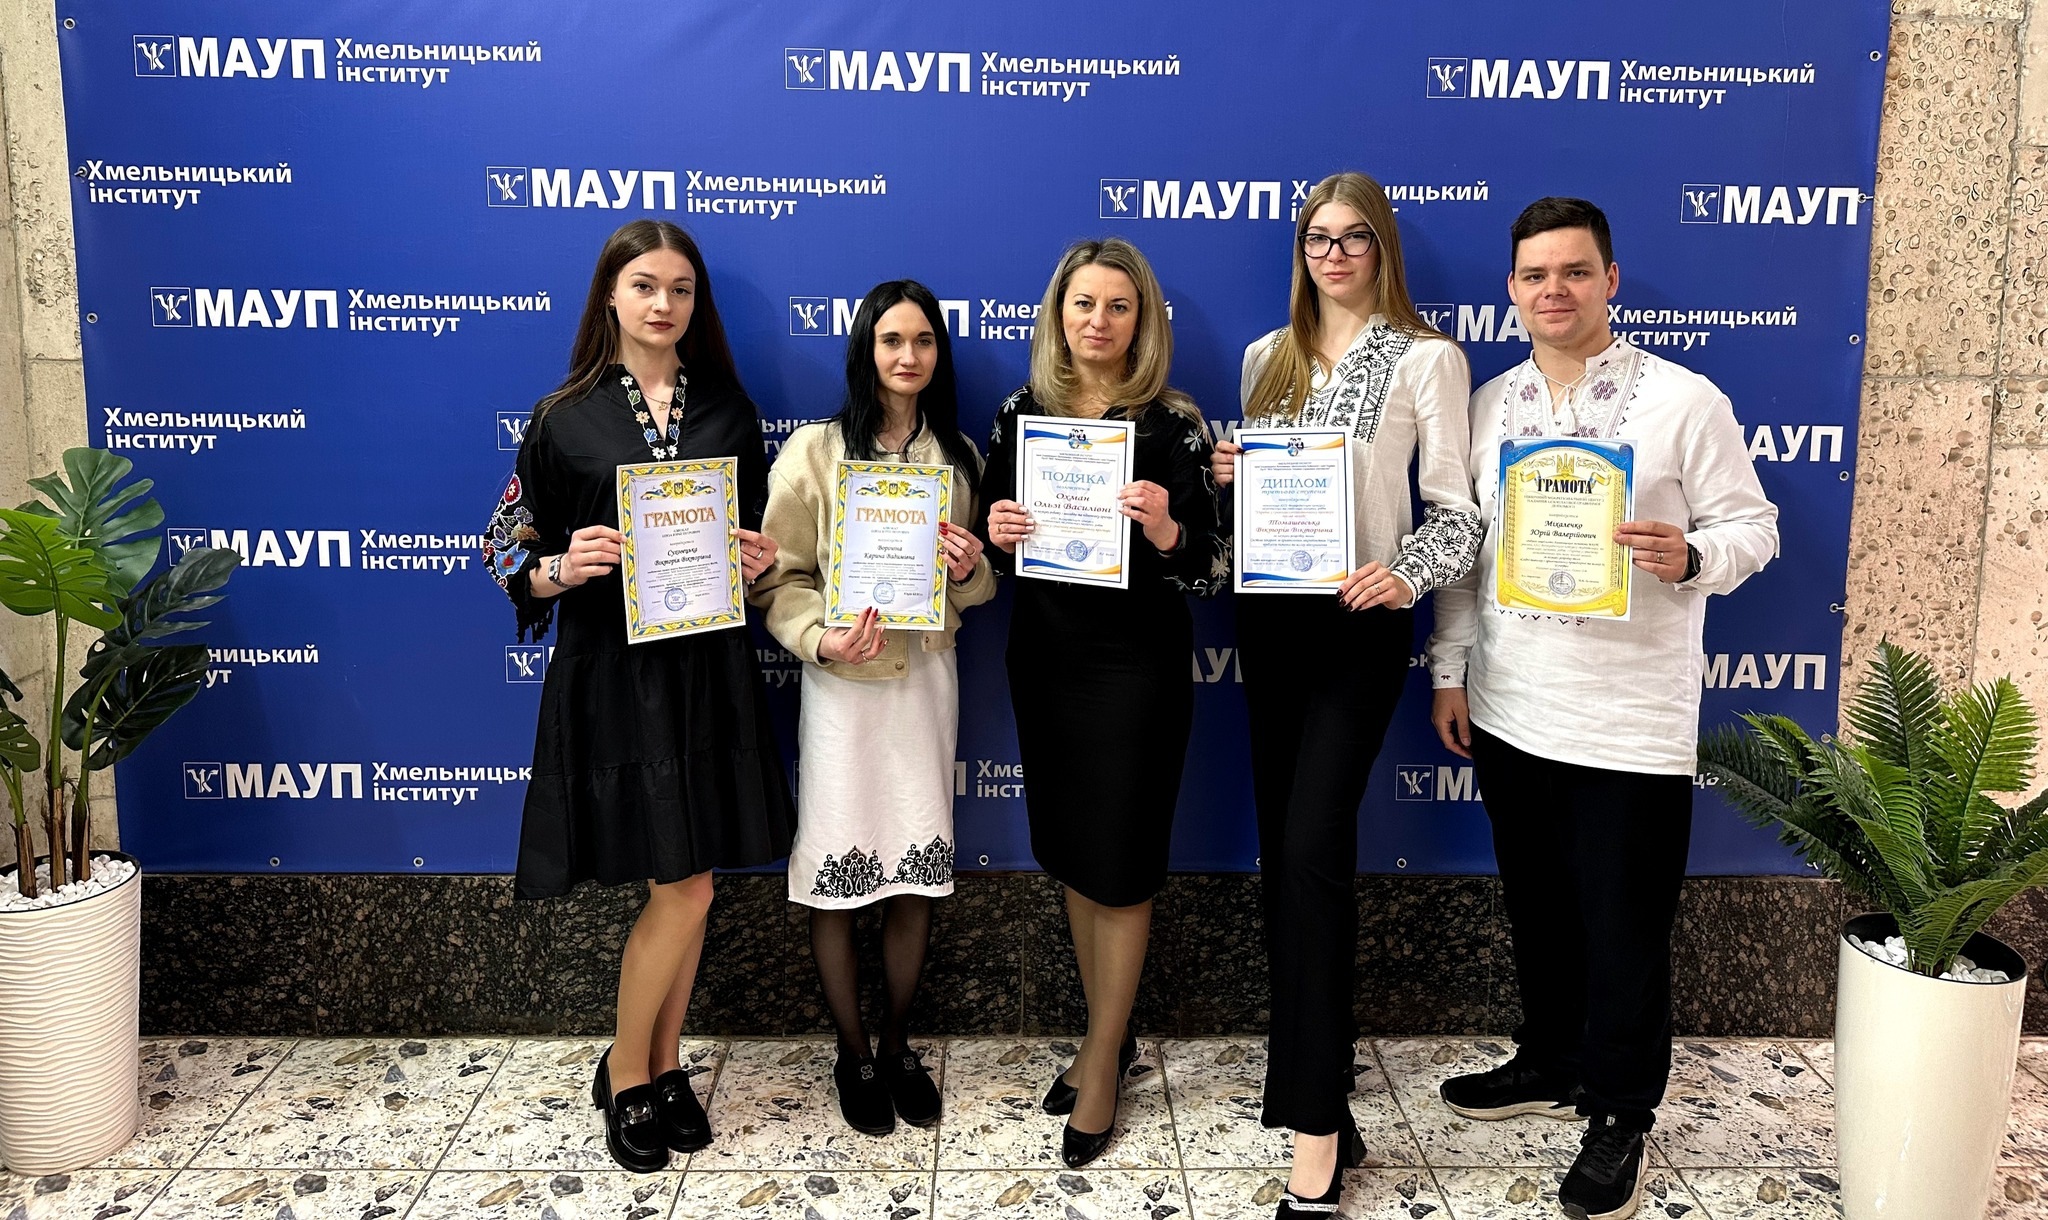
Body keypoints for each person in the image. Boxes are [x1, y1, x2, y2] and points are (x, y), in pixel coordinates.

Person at [1426, 197, 1779, 1220]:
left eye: (1574, 271)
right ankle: (1550, 1058)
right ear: (1511, 289)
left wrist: (1693, 554)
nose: (1555, 291)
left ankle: (1620, 1109)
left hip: (1629, 720)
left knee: (1624, 928)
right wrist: (1450, 669)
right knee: (1537, 906)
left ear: (1610, 280)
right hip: (1509, 704)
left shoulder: (1683, 401)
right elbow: (1464, 551)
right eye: (1535, 275)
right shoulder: (1487, 404)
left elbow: (1753, 526)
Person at [483, 219, 796, 1173]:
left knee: (692, 881)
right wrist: (557, 568)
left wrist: (756, 558)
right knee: (684, 885)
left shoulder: (730, 412)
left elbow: (749, 541)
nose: (664, 304)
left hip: (709, 673)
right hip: (614, 673)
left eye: (681, 289)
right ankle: (626, 1069)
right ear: (611, 297)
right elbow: (501, 550)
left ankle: (661, 1064)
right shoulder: (562, 417)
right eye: (646, 286)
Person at [1211, 171, 1480, 1220]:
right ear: (1301, 251)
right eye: (1317, 238)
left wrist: (1405, 576)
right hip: (1270, 627)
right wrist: (1231, 480)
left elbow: (1457, 515)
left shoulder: (1425, 358)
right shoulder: (1263, 358)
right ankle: (1319, 1078)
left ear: (1382, 247)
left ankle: (1316, 1128)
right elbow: (1254, 519)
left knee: (1314, 852)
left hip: (1359, 629)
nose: (1333, 254)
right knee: (1284, 862)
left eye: (1353, 236)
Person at [977, 237, 1228, 1169]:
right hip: (1046, 662)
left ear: (1143, 319)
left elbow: (1212, 568)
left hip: (1134, 671)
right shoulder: (1022, 412)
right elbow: (991, 548)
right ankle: (1103, 1037)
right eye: (1083, 303)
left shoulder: (1174, 424)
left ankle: (1103, 1066)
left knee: (1120, 867)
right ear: (1059, 313)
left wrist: (1165, 528)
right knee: (1076, 858)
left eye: (1118, 305)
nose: (1098, 320)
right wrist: (998, 532)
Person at [748, 280, 995, 1136]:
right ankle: (851, 1053)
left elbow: (977, 587)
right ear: (866, 348)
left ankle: (896, 1046)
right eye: (892, 340)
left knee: (915, 873)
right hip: (843, 693)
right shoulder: (815, 451)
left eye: (924, 341)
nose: (908, 356)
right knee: (838, 880)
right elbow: (779, 579)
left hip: (923, 687)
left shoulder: (957, 455)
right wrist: (821, 638)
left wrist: (968, 570)